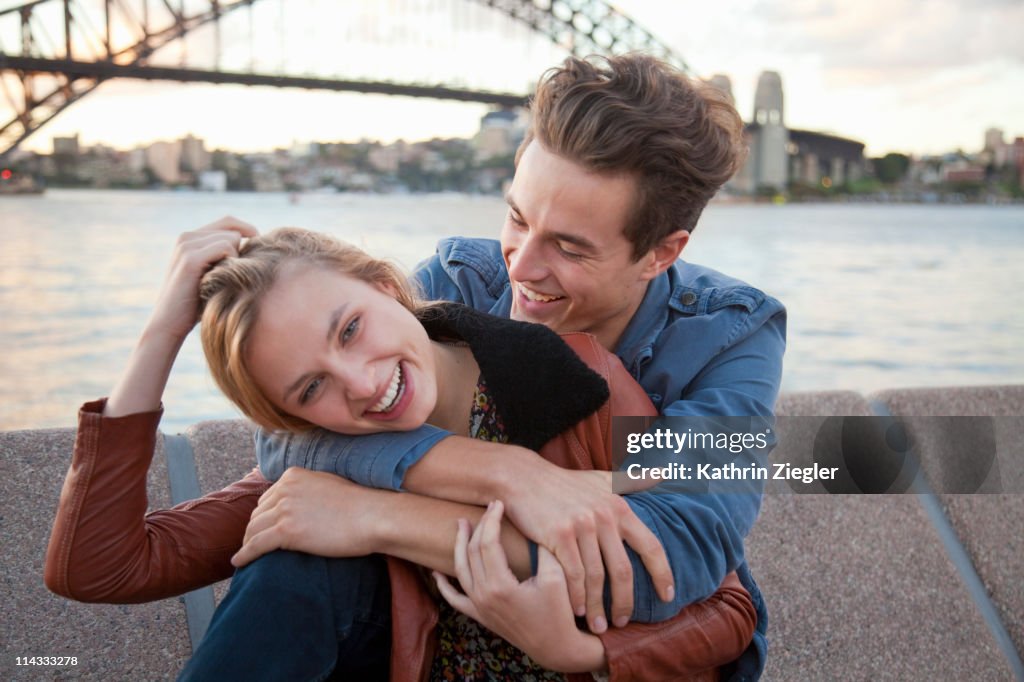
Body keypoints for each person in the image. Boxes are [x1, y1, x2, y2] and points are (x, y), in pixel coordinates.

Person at [249, 53, 786, 678]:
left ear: (660, 253)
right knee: (295, 562)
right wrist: (502, 474)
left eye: (569, 247)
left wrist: (380, 517)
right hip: (446, 629)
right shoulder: (459, 281)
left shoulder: (731, 333)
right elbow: (286, 431)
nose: (520, 268)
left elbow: (676, 555)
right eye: (517, 217)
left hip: (608, 651)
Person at [45, 222, 757, 681]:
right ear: (291, 418)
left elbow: (730, 608)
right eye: (311, 387)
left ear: (389, 288)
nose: (360, 385)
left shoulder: (580, 386)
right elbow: (98, 566)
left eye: (351, 327)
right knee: (293, 561)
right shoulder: (322, 460)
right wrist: (163, 331)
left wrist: (583, 653)